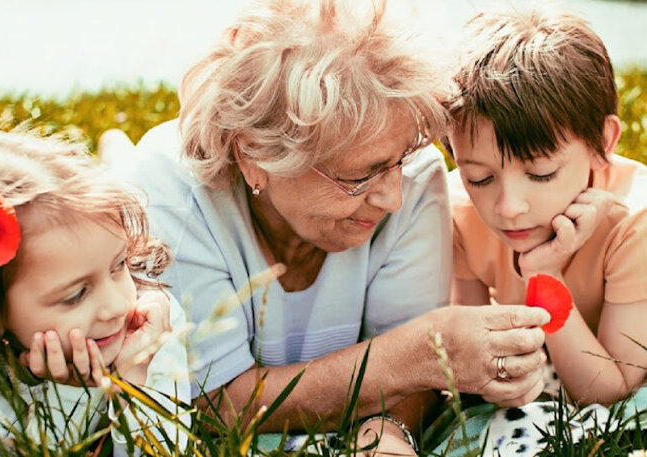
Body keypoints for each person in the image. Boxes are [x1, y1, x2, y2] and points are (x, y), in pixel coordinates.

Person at [110, 0, 552, 455]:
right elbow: (209, 402)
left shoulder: (415, 175)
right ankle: (113, 151)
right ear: (253, 158)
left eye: (399, 159)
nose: (393, 197)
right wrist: (419, 350)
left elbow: (417, 382)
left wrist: (387, 432)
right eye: (359, 175)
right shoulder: (171, 196)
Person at [439, 3, 647, 456]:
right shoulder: (455, 209)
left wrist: (543, 278)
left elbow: (610, 391)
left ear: (604, 143)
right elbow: (469, 370)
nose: (509, 208)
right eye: (479, 177)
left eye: (541, 174)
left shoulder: (634, 223)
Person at [0, 130, 190, 454]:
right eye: (75, 295)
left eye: (119, 265)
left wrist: (135, 383)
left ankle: (117, 148)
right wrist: (70, 395)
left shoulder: (146, 329)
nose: (116, 306)